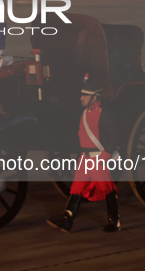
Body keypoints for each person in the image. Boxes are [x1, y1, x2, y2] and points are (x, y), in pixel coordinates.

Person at [47, 78, 121, 233]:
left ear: (94, 97)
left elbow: (115, 136)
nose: (81, 98)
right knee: (77, 188)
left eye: (85, 95)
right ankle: (67, 221)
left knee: (108, 188)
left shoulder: (104, 114)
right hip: (85, 158)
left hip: (97, 158)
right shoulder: (85, 113)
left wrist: (105, 157)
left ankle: (114, 221)